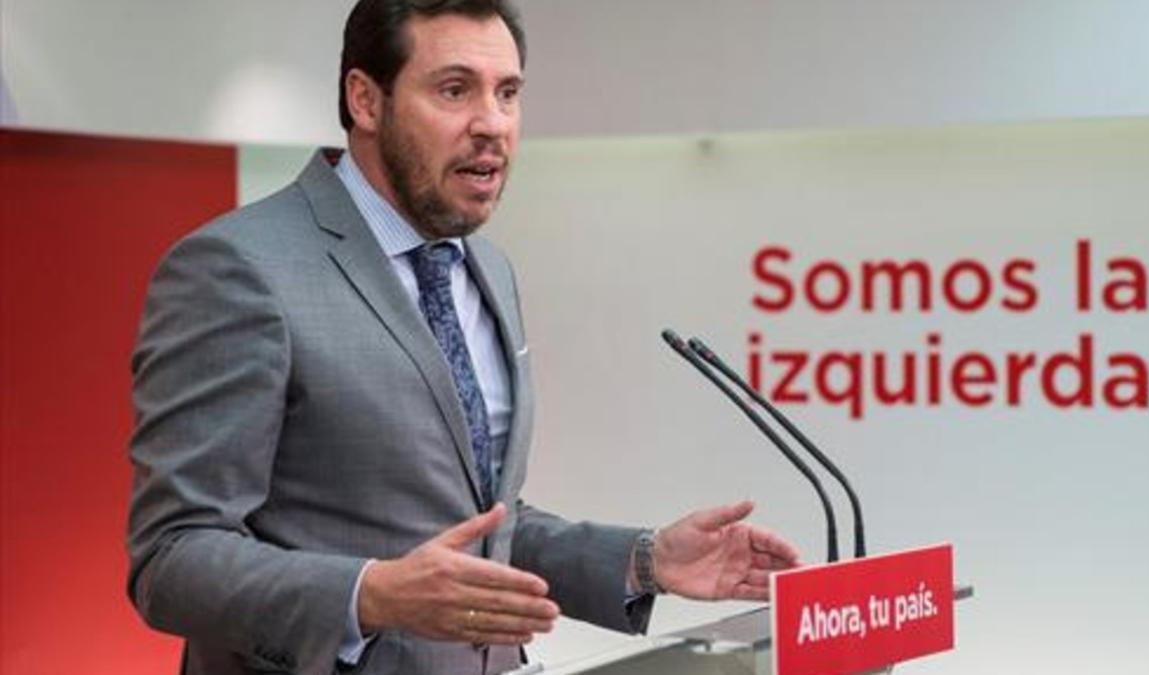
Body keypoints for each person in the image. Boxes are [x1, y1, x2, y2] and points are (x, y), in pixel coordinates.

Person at [125, 1, 801, 673]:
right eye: (454, 90)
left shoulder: (487, 269)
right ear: (365, 99)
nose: (492, 124)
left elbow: (484, 525)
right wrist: (370, 595)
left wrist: (644, 560)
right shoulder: (239, 269)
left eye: (507, 93)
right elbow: (174, 557)